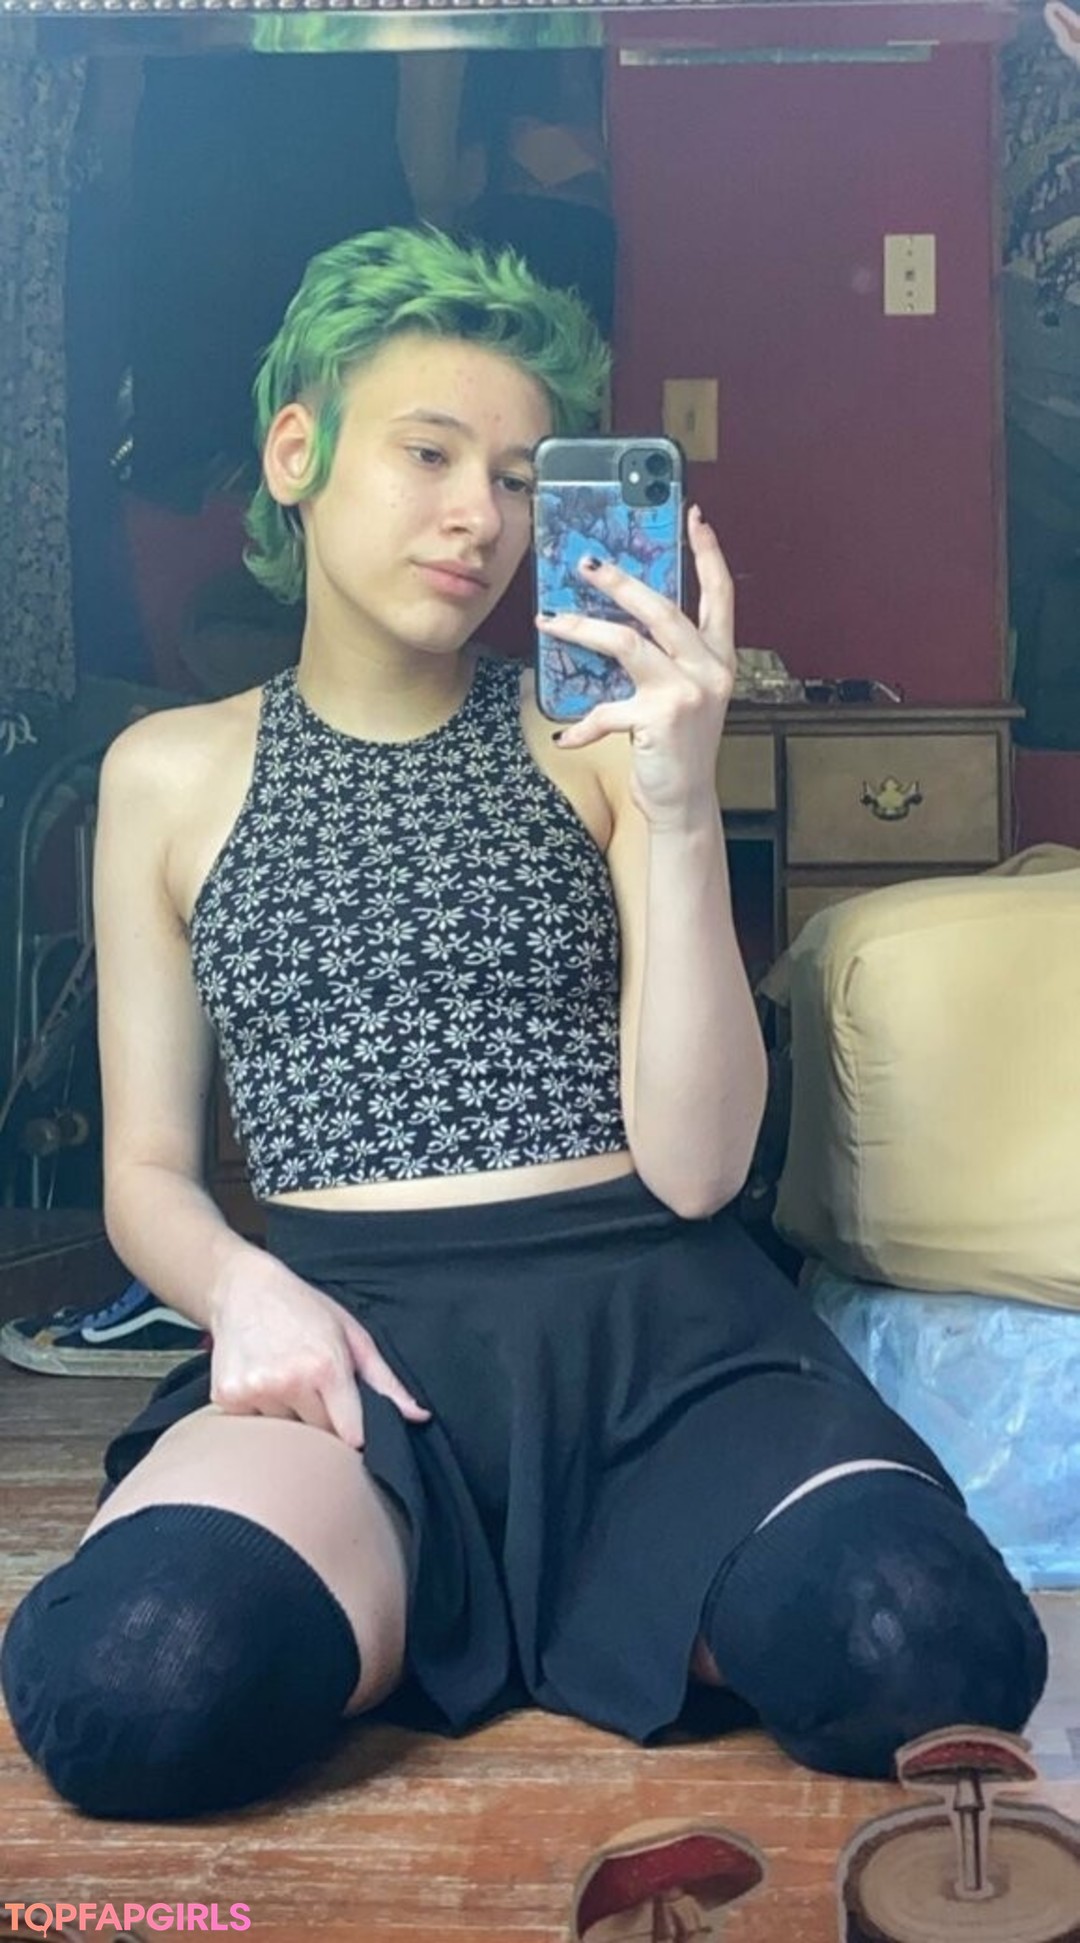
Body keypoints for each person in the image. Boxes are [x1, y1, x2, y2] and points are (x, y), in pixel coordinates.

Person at [0, 227, 1046, 1822]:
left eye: (515, 476)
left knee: (926, 1638)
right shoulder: (167, 775)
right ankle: (431, 1582)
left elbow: (703, 1172)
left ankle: (614, 1579)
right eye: (429, 454)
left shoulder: (599, 742)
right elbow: (144, 1170)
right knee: (136, 1680)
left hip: (660, 1341)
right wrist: (240, 1293)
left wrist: (681, 804)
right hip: (351, 1346)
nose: (479, 517)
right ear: (296, 453)